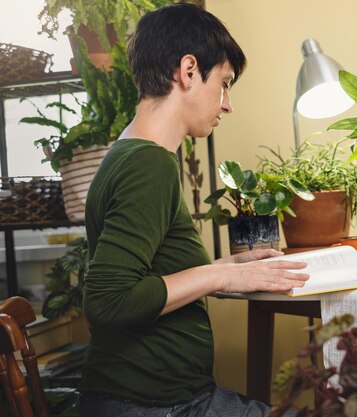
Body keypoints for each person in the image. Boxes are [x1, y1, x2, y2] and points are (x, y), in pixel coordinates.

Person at [78, 3, 309, 416]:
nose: (227, 104)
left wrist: (234, 270)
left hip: (164, 399)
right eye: (224, 83)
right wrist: (219, 273)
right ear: (188, 71)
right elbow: (108, 301)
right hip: (153, 405)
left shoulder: (134, 155)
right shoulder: (148, 165)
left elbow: (151, 275)